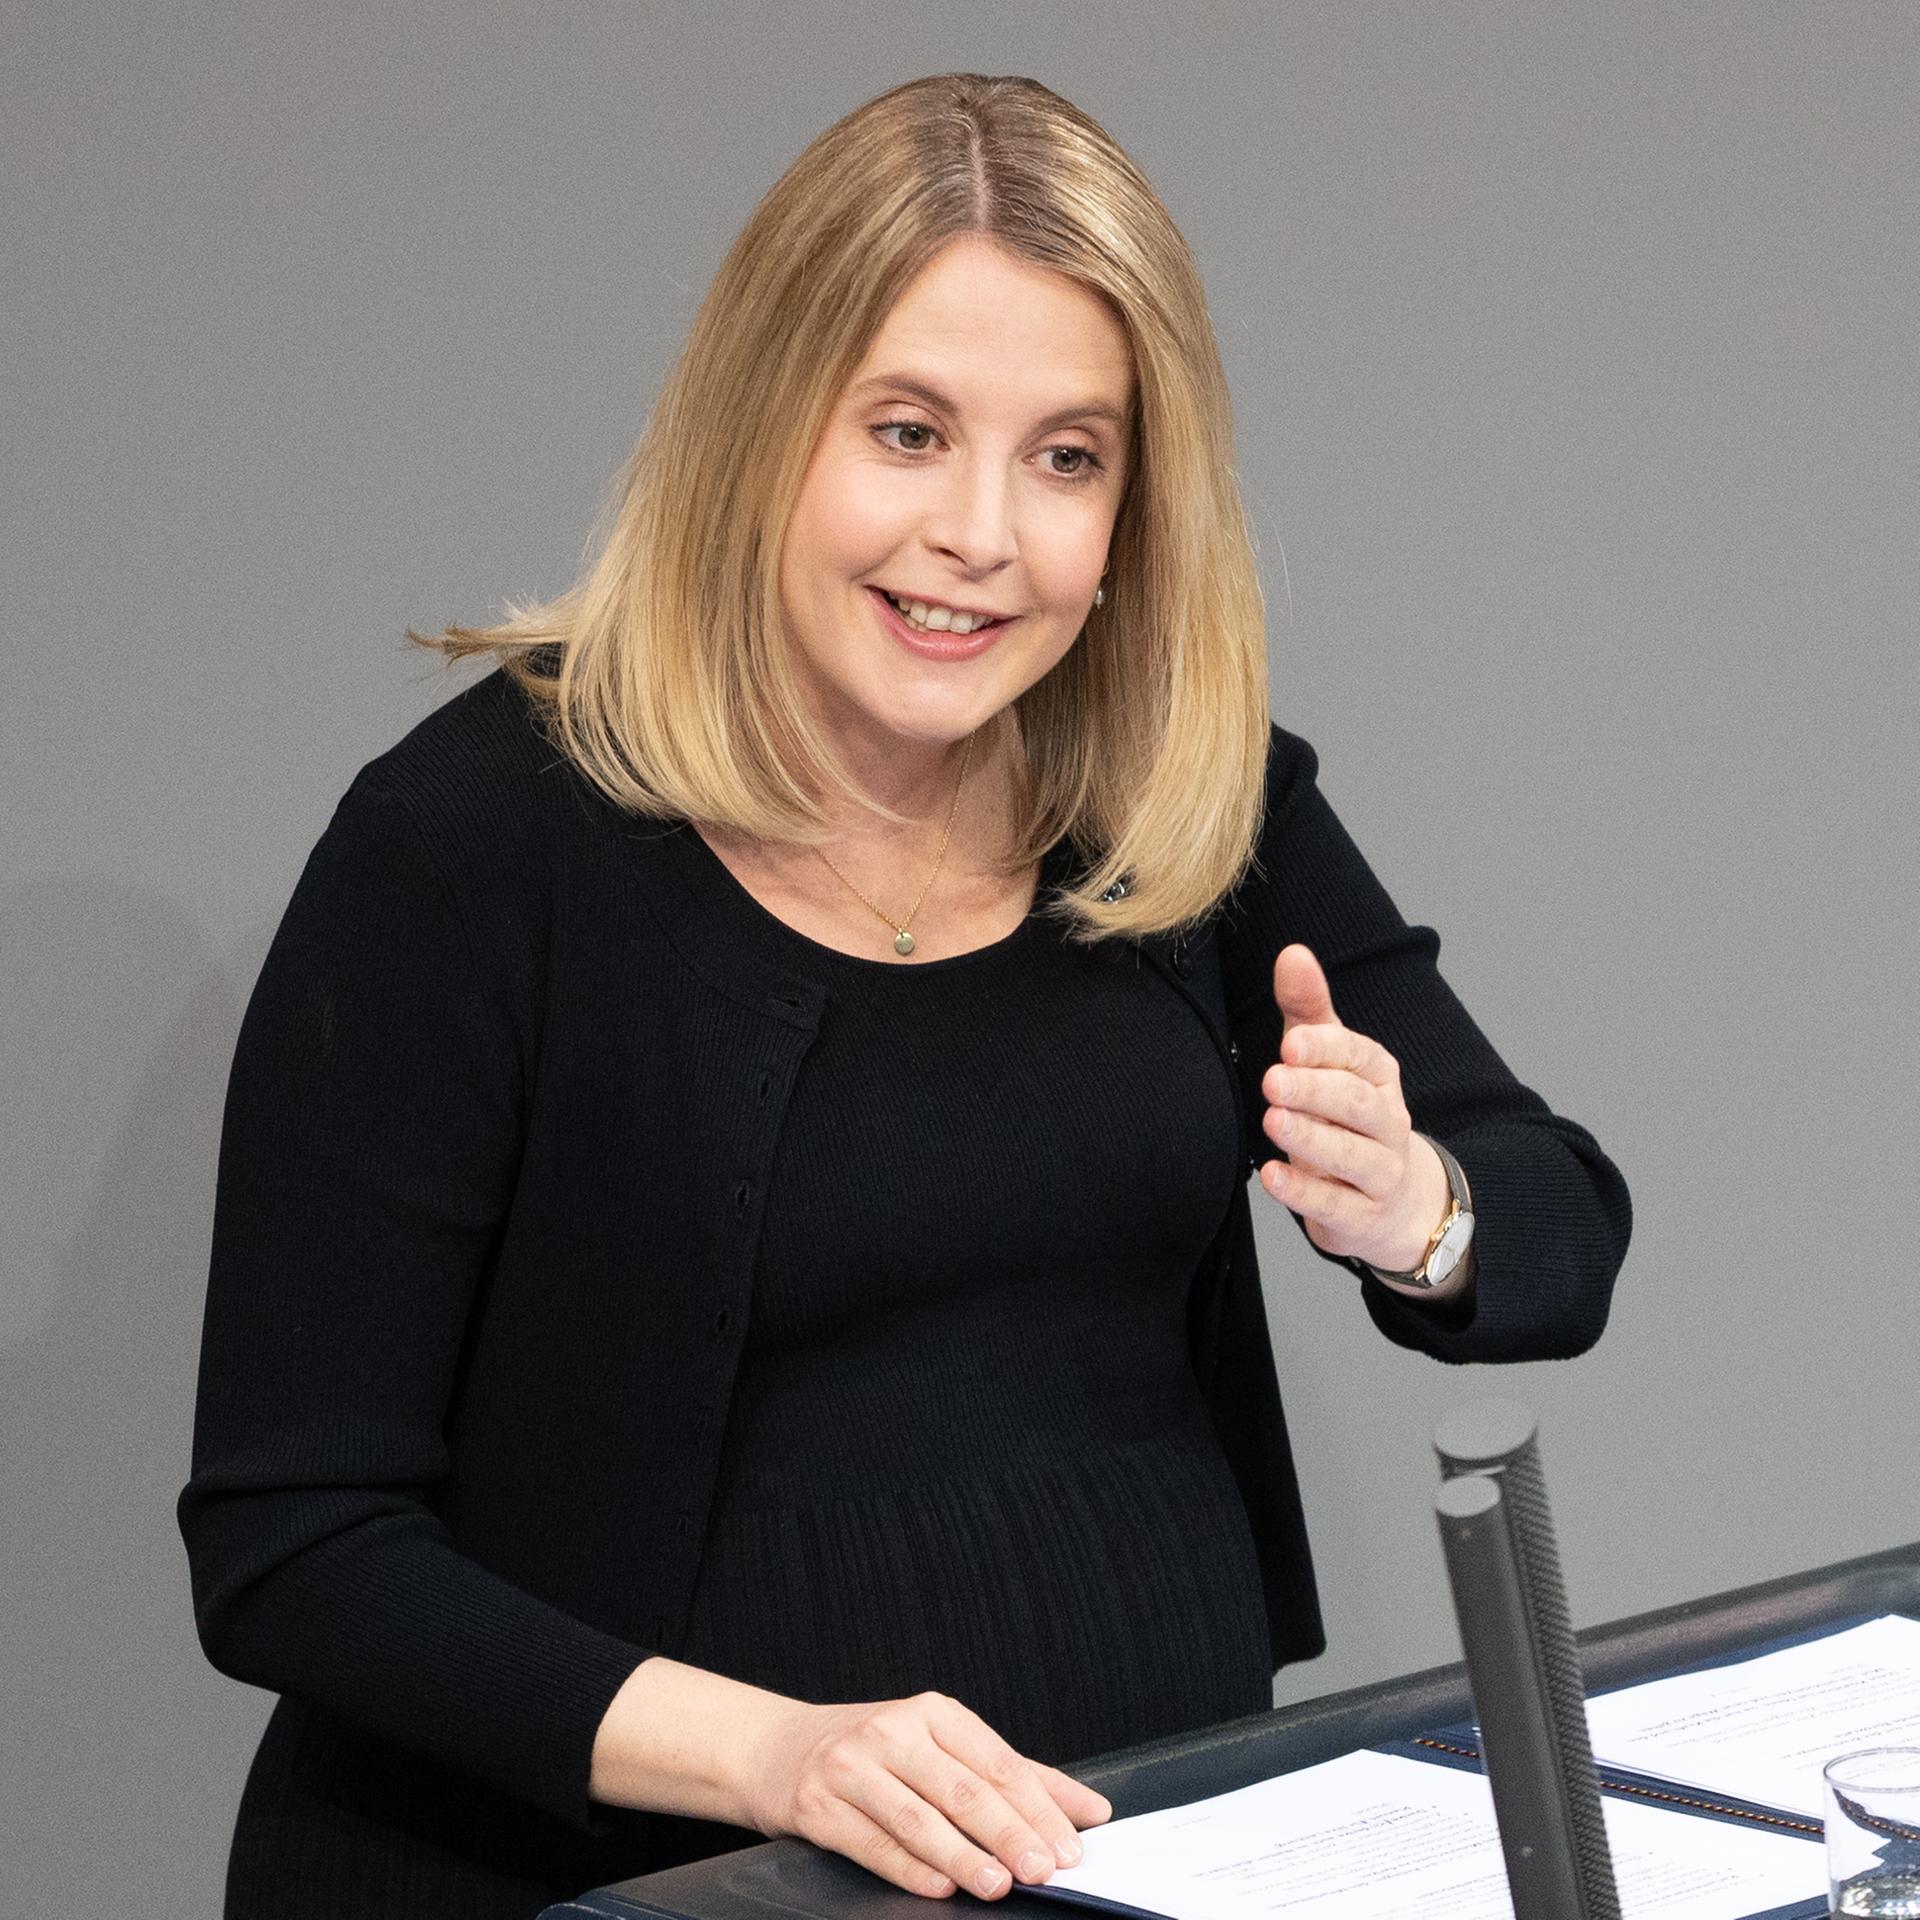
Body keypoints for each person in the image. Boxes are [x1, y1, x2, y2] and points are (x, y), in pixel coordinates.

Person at [177, 70, 1631, 1920]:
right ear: (759, 428)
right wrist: (781, 1752)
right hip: (599, 1888)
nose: (982, 537)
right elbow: (293, 1546)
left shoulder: (1192, 804)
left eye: (1067, 457)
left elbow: (1562, 1224)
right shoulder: (471, 850)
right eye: (910, 431)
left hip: (1132, 1857)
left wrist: (1425, 1214)